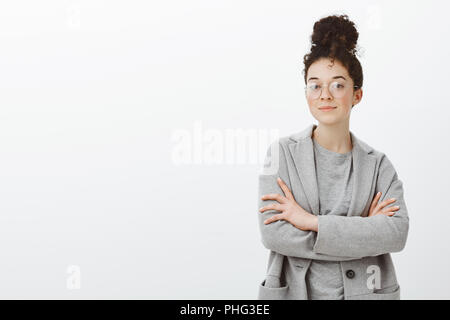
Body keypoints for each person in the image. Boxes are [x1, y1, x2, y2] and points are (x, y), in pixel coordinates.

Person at [257, 14, 409, 300]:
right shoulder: (281, 154)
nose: (324, 94)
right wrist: (364, 231)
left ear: (357, 94)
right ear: (306, 94)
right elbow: (274, 234)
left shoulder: (378, 165)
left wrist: (311, 222)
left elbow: (396, 233)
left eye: (338, 85)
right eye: (315, 85)